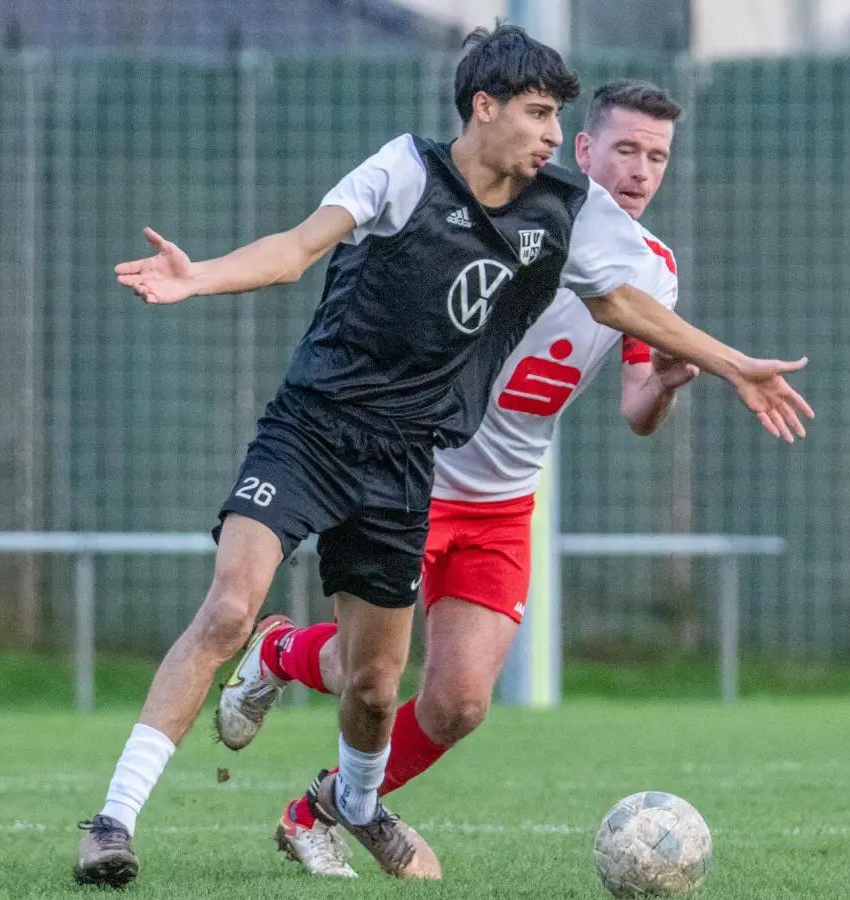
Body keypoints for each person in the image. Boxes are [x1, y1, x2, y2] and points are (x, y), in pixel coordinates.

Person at [76, 26, 811, 887]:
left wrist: (732, 366)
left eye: (559, 118)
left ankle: (348, 804)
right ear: (484, 107)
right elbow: (299, 248)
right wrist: (199, 275)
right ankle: (113, 823)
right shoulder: (405, 169)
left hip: (408, 461)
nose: (550, 135)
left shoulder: (566, 214)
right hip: (315, 429)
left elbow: (620, 306)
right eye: (539, 114)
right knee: (230, 609)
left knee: (381, 686)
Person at [213, 79, 756, 877]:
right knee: (370, 673)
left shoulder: (653, 271)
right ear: (582, 149)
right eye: (626, 150)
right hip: (417, 475)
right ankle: (280, 652)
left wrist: (668, 385)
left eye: (658, 156)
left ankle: (316, 809)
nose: (641, 170)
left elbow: (638, 409)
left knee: (460, 703)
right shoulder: (509, 223)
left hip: (504, 503)